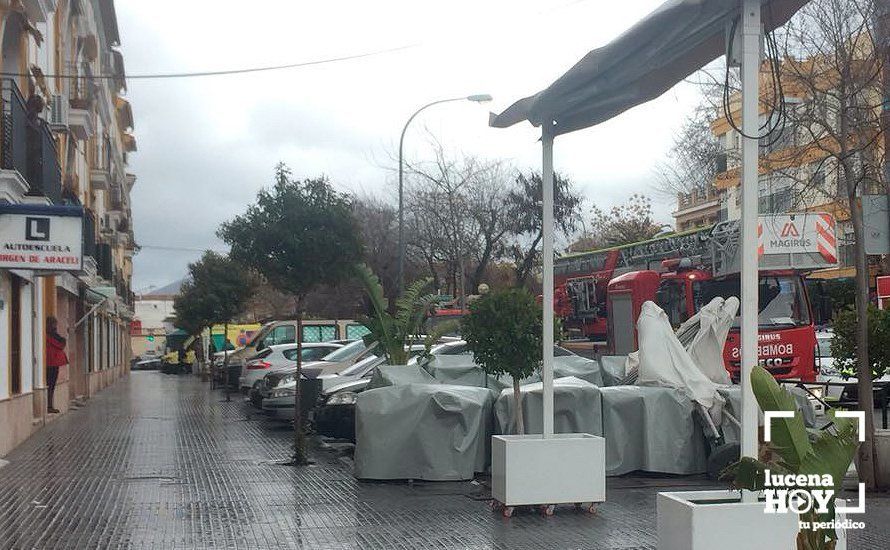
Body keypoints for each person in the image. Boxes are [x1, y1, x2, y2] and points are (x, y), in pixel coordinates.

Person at [45, 316, 68, 414]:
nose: (56, 326)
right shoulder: (51, 336)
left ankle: (49, 405)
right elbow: (61, 343)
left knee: (50, 385)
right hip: (52, 363)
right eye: (54, 324)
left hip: (50, 363)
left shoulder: (49, 335)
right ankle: (49, 406)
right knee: (51, 385)